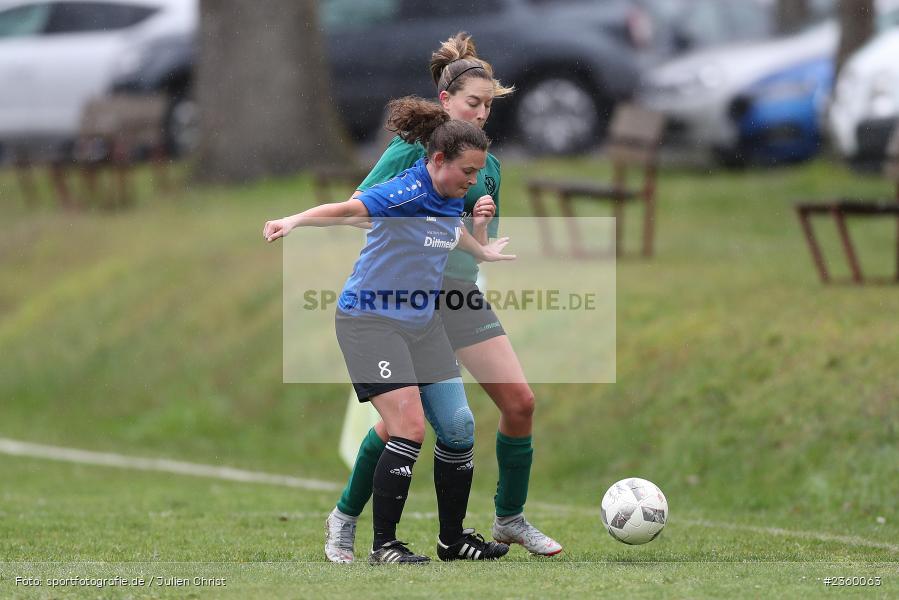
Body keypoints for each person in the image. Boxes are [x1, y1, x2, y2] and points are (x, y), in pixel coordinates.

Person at [325, 32, 562, 563]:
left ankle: (509, 519)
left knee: (519, 402)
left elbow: (467, 243)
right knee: (399, 427)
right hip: (409, 302)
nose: (482, 114)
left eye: (489, 105)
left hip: (458, 297)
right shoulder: (413, 151)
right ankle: (346, 518)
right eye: (473, 104)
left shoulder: (486, 163)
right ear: (446, 102)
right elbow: (361, 207)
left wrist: (478, 239)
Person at [264, 96, 513, 565]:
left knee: (459, 428)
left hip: (422, 325)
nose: (474, 181)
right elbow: (345, 210)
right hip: (371, 323)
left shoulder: (450, 196)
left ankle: (452, 540)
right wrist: (293, 220)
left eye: (479, 173)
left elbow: (447, 230)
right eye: (468, 171)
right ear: (438, 160)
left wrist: (481, 247)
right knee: (409, 427)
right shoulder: (401, 194)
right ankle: (383, 545)